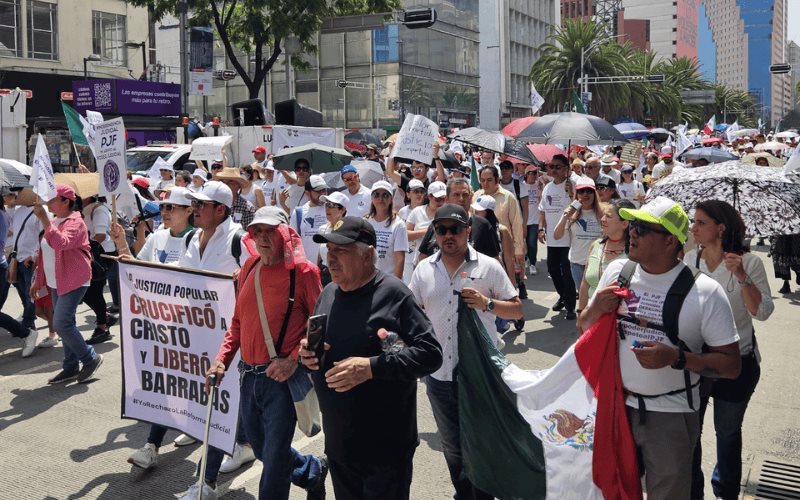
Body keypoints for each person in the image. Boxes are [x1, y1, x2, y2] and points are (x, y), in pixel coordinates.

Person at [578, 196, 741, 500]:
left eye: (642, 227)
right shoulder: (617, 273)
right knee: (610, 491)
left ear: (669, 241)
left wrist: (676, 358)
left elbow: (731, 366)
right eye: (632, 225)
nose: (632, 232)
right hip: (616, 408)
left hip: (672, 416)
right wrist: (595, 308)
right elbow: (584, 328)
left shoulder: (705, 292)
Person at [299, 217, 443, 500]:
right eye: (329, 252)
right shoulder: (328, 293)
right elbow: (317, 346)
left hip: (385, 447)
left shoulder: (394, 294)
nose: (331, 260)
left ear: (367, 256)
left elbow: (430, 354)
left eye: (340, 251)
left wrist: (371, 367)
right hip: (340, 442)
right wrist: (308, 354)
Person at [206, 206, 327, 500]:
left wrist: (292, 360)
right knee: (261, 448)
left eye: (270, 231)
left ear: (285, 234)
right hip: (247, 376)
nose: (262, 238)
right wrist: (222, 359)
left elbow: (321, 327)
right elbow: (237, 321)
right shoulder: (249, 267)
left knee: (272, 461)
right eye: (257, 231)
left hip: (282, 380)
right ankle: (312, 471)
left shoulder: (304, 273)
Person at [408, 204, 522, 500]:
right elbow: (410, 314)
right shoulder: (423, 270)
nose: (448, 235)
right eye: (441, 229)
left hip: (481, 377)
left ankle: (483, 494)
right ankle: (465, 493)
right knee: (452, 446)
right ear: (434, 233)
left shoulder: (488, 266)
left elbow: (517, 309)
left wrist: (488, 304)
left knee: (483, 442)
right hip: (439, 376)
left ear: (467, 231)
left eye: (455, 229)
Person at [686, 200, 774, 500]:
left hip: (738, 363)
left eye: (700, 223)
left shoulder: (748, 263)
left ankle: (726, 492)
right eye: (693, 222)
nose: (693, 228)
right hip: (697, 361)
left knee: (726, 432)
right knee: (690, 434)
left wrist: (741, 277)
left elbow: (761, 312)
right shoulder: (689, 261)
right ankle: (692, 490)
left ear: (720, 227)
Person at [178, 181, 256, 499]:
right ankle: (245, 444)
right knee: (221, 402)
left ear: (220, 210)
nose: (194, 209)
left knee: (218, 401)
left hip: (231, 340)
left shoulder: (239, 239)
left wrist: (242, 280)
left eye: (202, 205)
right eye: (194, 203)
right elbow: (177, 277)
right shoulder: (190, 238)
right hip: (197, 334)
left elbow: (260, 273)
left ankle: (205, 484)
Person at [110, 187, 195, 469]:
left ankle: (224, 433)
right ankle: (152, 446)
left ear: (189, 211)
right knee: (166, 384)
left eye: (172, 207)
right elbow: (137, 268)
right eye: (163, 207)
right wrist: (122, 243)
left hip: (190, 326)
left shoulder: (197, 240)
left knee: (193, 383)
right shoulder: (157, 236)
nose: (165, 213)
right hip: (158, 325)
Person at [31, 185, 104, 384]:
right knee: (67, 323)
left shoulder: (76, 221)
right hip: (56, 281)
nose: (48, 202)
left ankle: (90, 358)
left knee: (61, 323)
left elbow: (62, 243)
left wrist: (44, 221)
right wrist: (38, 280)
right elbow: (44, 253)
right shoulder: (55, 220)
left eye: (53, 198)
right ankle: (70, 366)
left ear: (66, 201)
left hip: (73, 279)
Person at [417, 178, 501, 262]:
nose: (461, 199)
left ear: (470, 198)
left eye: (465, 195)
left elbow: (495, 260)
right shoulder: (437, 224)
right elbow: (422, 257)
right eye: (456, 195)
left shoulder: (482, 225)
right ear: (447, 199)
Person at [538, 155, 578, 320]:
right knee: (553, 270)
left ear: (566, 169)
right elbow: (542, 210)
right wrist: (541, 229)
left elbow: (578, 208)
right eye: (551, 166)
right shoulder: (548, 188)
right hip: (552, 239)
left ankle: (570, 306)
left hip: (568, 237)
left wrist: (572, 195)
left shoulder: (572, 186)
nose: (553, 170)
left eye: (558, 167)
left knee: (567, 273)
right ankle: (563, 296)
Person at [578, 198, 634, 312]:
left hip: (618, 321)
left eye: (608, 216)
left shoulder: (634, 253)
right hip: (591, 316)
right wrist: (581, 313)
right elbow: (585, 284)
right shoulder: (595, 245)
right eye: (603, 215)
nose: (602, 219)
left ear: (624, 223)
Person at [3, 190, 44, 333]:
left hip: (30, 259)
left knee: (30, 293)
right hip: (18, 257)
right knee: (22, 291)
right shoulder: (19, 212)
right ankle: (28, 322)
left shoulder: (39, 211)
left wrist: (35, 255)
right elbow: (13, 231)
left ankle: (28, 324)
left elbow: (44, 236)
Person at [553, 176, 603, 294]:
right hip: (577, 263)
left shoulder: (602, 213)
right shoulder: (570, 212)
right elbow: (556, 236)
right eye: (581, 191)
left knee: (594, 296)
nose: (585, 194)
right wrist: (565, 217)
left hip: (596, 263)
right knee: (582, 295)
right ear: (577, 194)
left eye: (589, 191)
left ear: (594, 193)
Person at [81, 195, 118, 344]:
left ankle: (102, 328)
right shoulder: (84, 209)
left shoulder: (99, 210)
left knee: (93, 291)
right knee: (86, 292)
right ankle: (105, 317)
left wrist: (83, 247)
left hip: (100, 254)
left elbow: (100, 236)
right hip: (89, 253)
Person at [473, 166, 526, 270]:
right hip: (479, 251)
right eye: (482, 180)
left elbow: (517, 224)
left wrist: (518, 250)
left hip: (504, 251)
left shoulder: (508, 197)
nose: (485, 184)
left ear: (497, 180)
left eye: (489, 180)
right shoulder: (476, 197)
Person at [364, 180, 408, 280]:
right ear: (371, 198)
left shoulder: (398, 224)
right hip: (367, 280)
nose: (380, 198)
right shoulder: (365, 222)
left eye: (385, 195)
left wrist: (396, 285)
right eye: (376, 195)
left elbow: (400, 259)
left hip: (388, 281)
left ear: (391, 199)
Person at [290, 174, 329, 265]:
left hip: (326, 267)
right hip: (306, 267)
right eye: (318, 191)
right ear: (307, 193)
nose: (322, 194)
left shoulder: (331, 208)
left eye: (324, 190)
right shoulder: (298, 212)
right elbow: (293, 240)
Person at [317, 191, 349, 286]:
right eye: (326, 204)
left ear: (342, 210)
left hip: (343, 274)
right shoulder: (322, 229)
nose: (327, 208)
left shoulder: (350, 231)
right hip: (325, 275)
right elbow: (319, 257)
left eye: (331, 205)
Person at [523, 165, 543, 275]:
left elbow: (543, 199)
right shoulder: (521, 186)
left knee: (532, 243)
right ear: (526, 174)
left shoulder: (539, 186)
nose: (533, 175)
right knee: (524, 242)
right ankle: (526, 258)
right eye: (531, 173)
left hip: (535, 219)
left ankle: (532, 264)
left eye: (535, 173)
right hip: (524, 220)